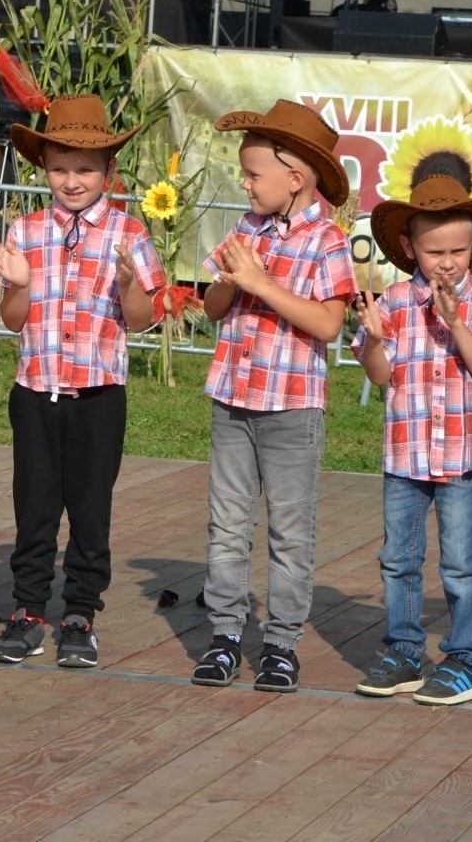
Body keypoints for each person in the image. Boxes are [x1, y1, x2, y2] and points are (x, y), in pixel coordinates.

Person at [0, 94, 165, 667]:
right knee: (34, 503)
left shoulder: (129, 233)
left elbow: (141, 318)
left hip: (98, 392)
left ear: (109, 172)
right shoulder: (27, 229)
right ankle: (28, 609)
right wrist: (17, 283)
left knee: (91, 505)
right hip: (37, 388)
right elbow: (13, 321)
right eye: (59, 168)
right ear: (44, 170)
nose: (71, 180)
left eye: (85, 169)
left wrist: (133, 283)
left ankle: (81, 610)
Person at [190, 100, 356, 693]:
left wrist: (262, 282)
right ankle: (224, 636)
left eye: (255, 173)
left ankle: (282, 642)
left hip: (291, 404)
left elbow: (329, 324)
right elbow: (211, 308)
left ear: (295, 178)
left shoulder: (328, 241)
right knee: (228, 523)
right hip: (233, 396)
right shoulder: (244, 229)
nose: (246, 182)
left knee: (289, 528)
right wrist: (230, 283)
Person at [351, 173, 472, 705]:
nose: (447, 261)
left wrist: (456, 322)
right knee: (399, 557)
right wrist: (374, 338)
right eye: (434, 250)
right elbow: (378, 374)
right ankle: (403, 651)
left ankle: (463, 657)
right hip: (406, 453)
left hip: (464, 455)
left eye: (459, 250)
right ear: (408, 247)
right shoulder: (394, 302)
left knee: (462, 562)